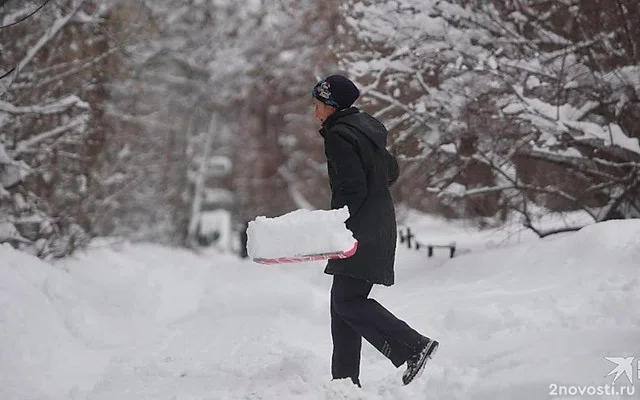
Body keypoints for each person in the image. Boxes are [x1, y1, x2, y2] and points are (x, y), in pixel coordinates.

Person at [311, 74, 439, 387]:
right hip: (378, 224)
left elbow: (352, 188)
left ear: (332, 105)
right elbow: (390, 171)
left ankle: (413, 346)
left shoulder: (340, 135)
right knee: (341, 306)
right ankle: (343, 382)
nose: (314, 111)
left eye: (317, 104)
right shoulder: (365, 129)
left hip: (359, 230)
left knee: (347, 302)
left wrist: (336, 223)